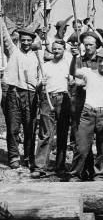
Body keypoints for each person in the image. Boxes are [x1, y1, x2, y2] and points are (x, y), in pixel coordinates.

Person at [69, 48, 103, 182]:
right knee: (81, 147)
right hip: (87, 113)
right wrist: (74, 58)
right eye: (100, 60)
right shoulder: (88, 73)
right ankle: (75, 174)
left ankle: (99, 174)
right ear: (96, 61)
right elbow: (72, 72)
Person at [1, 21, 42, 171]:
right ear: (19, 40)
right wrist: (1, 20)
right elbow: (5, 38)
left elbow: (42, 75)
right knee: (13, 128)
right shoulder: (13, 52)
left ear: (32, 41)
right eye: (23, 40)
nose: (25, 43)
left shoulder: (37, 55)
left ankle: (29, 157)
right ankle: (13, 157)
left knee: (30, 128)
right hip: (14, 93)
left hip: (31, 95)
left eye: (29, 40)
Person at [34, 39, 71, 176]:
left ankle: (60, 166)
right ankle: (40, 167)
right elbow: (37, 87)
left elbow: (73, 83)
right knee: (45, 133)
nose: (56, 51)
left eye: (59, 49)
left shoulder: (68, 65)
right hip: (47, 99)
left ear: (64, 50)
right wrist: (40, 84)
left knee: (62, 132)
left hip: (64, 100)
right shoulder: (45, 66)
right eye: (54, 49)